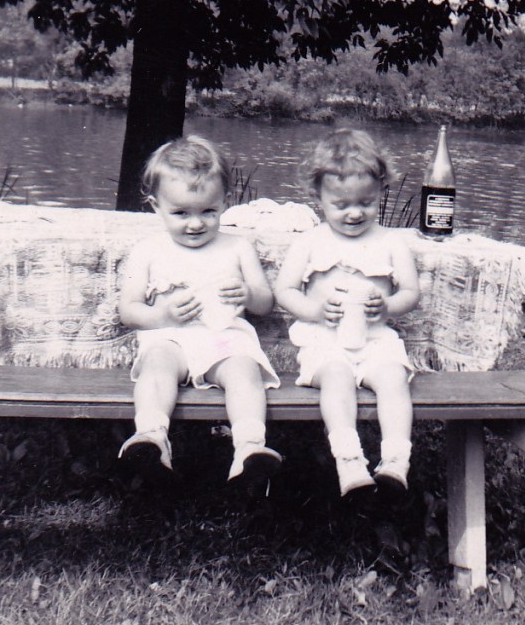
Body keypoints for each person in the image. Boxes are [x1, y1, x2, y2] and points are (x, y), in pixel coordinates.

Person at [117, 135, 282, 487]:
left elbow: (265, 304)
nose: (195, 224)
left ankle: (249, 448)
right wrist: (161, 315)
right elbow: (128, 310)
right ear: (155, 206)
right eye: (180, 213)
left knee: (243, 371)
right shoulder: (147, 250)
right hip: (170, 338)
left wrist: (248, 294)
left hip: (223, 338)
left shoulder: (237, 247)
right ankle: (151, 437)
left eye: (208, 211)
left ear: (225, 202)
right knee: (157, 365)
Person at [274, 129, 420, 498]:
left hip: (376, 340)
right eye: (342, 204)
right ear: (318, 197)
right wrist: (315, 310)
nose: (355, 213)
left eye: (366, 203)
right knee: (337, 377)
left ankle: (395, 459)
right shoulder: (310, 241)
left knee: (393, 379)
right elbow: (285, 290)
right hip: (326, 341)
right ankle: (349, 459)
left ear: (381, 191)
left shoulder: (390, 243)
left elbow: (410, 293)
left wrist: (387, 306)